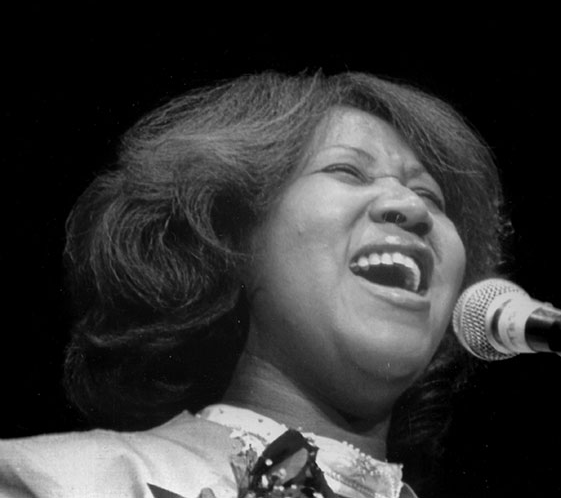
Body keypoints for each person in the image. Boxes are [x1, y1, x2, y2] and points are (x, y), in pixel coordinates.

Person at [0, 71, 505, 498]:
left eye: (430, 197)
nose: (412, 208)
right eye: (348, 171)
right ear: (228, 237)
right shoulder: (60, 481)